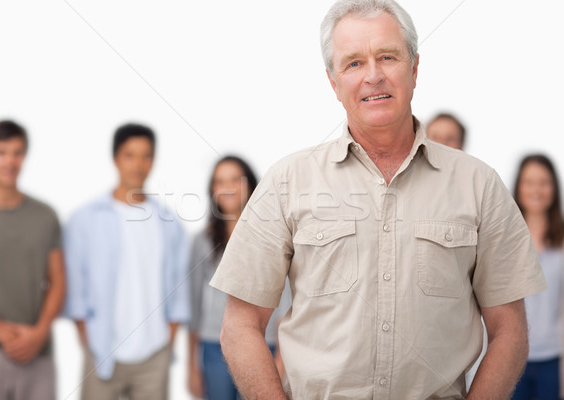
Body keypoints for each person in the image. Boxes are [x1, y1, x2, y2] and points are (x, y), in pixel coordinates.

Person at [209, 0, 547, 399]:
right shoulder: (286, 182)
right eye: (353, 63)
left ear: (415, 68)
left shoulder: (480, 185)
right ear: (334, 82)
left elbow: (510, 331)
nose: (373, 76)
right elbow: (241, 326)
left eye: (387, 57)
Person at [63, 123, 190, 400]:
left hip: (154, 352)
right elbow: (75, 283)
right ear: (115, 159)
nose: (138, 164)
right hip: (102, 349)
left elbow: (179, 285)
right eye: (129, 155)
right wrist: (87, 333)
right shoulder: (85, 218)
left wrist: (168, 336)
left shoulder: (168, 224)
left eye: (146, 155)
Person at [0, 120, 65, 400]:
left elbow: (58, 280)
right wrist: (2, 333)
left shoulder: (45, 215)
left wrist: (39, 333)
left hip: (38, 351)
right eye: (1, 152)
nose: (10, 161)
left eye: (18, 152)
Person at [188, 156, 290, 400]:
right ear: (212, 189)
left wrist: (280, 361)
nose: (227, 187)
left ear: (250, 185)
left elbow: (285, 302)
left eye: (235, 179)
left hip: (263, 344)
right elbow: (193, 306)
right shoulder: (201, 241)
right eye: (220, 181)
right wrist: (191, 366)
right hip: (213, 346)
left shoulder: (271, 236)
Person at [511, 154, 564, 400]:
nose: (536, 189)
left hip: (553, 358)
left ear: (554, 188)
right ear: (518, 187)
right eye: (529, 182)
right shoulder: (503, 237)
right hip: (510, 358)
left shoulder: (562, 240)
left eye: (544, 182)